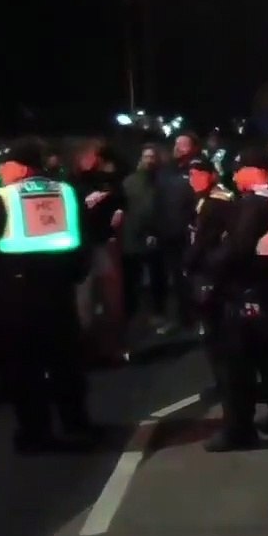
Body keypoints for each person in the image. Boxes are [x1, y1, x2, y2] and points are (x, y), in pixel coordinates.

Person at [0, 138, 96, 453]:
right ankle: (77, 424)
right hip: (59, 295)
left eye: (5, 165)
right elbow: (82, 245)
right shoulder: (65, 192)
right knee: (66, 364)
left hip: (13, 298)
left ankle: (37, 434)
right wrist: (72, 276)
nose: (1, 171)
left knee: (23, 370)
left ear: (20, 167)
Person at [200, 145, 268, 451]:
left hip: (251, 291)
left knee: (237, 366)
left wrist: (209, 267)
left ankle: (238, 430)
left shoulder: (256, 203)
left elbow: (238, 249)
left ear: (251, 170)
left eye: (238, 169)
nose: (235, 176)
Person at [71, 139, 127, 364]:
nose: (95, 160)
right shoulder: (73, 183)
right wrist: (87, 204)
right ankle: (87, 351)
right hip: (83, 247)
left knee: (110, 300)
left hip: (102, 243)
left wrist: (118, 208)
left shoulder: (105, 180)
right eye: (92, 155)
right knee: (84, 303)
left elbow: (120, 197)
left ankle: (110, 348)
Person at [183, 158, 235, 399]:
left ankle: (226, 385)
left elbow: (204, 241)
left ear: (211, 175)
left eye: (198, 174)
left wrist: (187, 266)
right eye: (191, 175)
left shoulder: (215, 202)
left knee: (216, 333)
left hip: (212, 274)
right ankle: (225, 382)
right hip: (214, 272)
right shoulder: (210, 199)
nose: (193, 179)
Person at [153, 133, 203, 333]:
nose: (179, 147)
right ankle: (181, 319)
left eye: (183, 144)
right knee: (175, 277)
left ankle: (201, 319)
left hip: (190, 232)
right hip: (168, 232)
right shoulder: (166, 171)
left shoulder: (199, 168)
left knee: (194, 276)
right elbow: (158, 201)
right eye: (177, 143)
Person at [120, 144, 167, 324]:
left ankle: (158, 312)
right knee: (132, 280)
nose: (149, 160)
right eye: (146, 156)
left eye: (152, 156)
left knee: (158, 278)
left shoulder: (162, 181)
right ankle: (131, 314)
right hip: (133, 238)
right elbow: (129, 209)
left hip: (157, 237)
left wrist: (155, 231)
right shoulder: (130, 181)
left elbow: (161, 209)